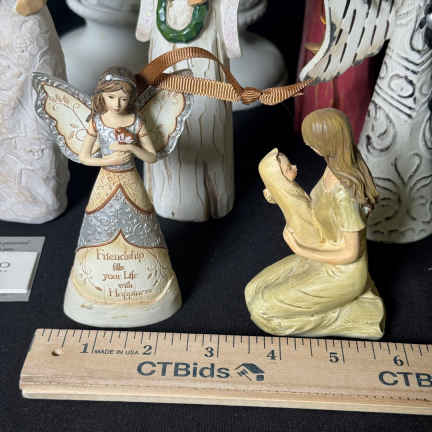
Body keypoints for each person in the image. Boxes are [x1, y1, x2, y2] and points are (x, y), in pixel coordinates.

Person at [245, 108, 385, 339]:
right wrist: (281, 193)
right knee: (252, 291)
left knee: (263, 312)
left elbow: (351, 253)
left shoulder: (345, 194)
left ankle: (360, 314)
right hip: (322, 253)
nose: (308, 147)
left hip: (342, 273)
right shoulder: (333, 166)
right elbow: (319, 212)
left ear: (326, 144)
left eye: (312, 143)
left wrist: (300, 249)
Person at [63, 67, 182, 327]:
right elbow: (84, 157)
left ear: (131, 98)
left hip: (130, 180)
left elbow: (152, 156)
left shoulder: (136, 121)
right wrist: (108, 160)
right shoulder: (97, 122)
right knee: (100, 228)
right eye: (112, 98)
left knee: (140, 224)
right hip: (106, 181)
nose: (117, 104)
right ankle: (96, 285)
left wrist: (131, 147)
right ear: (101, 97)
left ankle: (146, 285)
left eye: (124, 99)